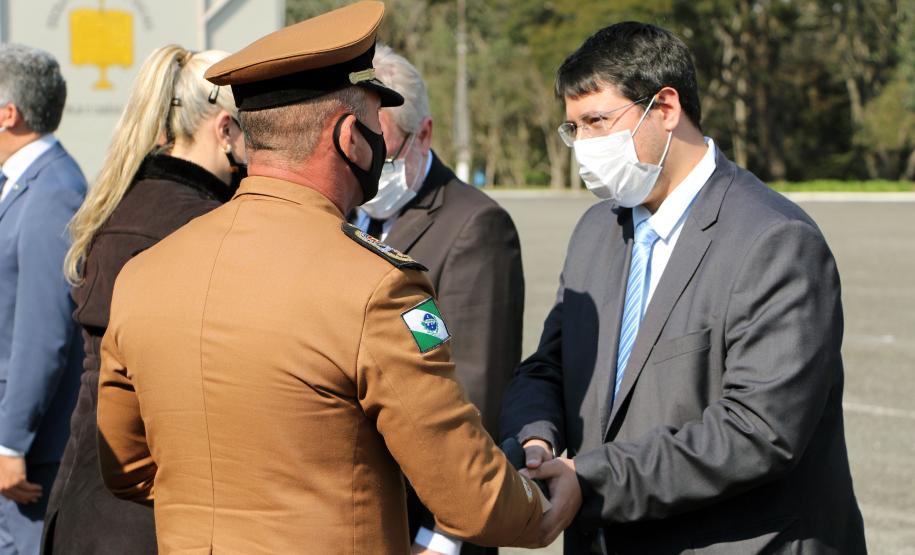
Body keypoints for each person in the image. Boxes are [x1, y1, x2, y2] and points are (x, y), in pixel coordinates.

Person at [94, 2, 566, 553]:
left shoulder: (146, 273)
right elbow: (474, 500)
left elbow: (125, 465)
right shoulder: (380, 287)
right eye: (375, 126)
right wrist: (545, 503)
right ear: (349, 136)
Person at [501, 21, 867, 554]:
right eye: (573, 128)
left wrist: (592, 478)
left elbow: (758, 430)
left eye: (597, 121)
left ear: (666, 109)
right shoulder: (596, 231)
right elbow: (551, 365)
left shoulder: (774, 241)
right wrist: (537, 440)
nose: (583, 146)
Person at [40, 46, 243, 555]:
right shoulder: (200, 226)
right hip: (146, 518)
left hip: (83, 504)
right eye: (252, 129)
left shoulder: (124, 203)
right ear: (224, 130)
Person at [354, 44, 525, 555]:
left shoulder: (475, 226)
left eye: (382, 148)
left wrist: (445, 536)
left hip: (427, 525)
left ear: (423, 134)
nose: (367, 164)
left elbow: (476, 388)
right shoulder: (349, 212)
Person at [0, 44, 87, 554]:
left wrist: (10, 443)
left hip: (29, 449)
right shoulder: (23, 183)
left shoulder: (51, 190)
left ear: (8, 114)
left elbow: (43, 332)